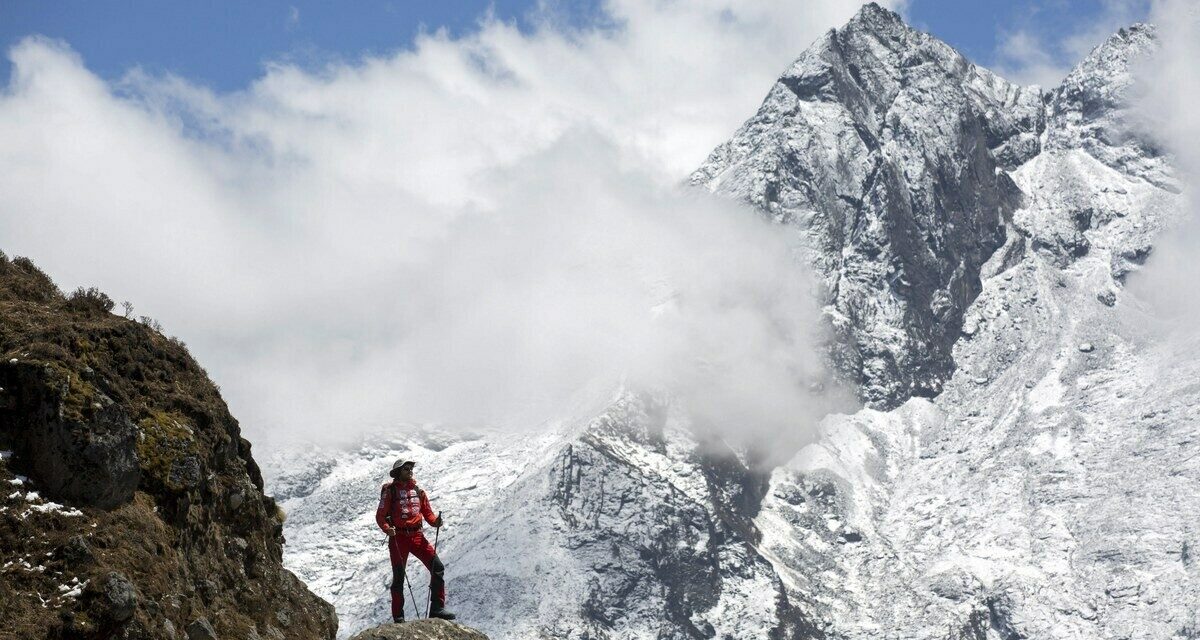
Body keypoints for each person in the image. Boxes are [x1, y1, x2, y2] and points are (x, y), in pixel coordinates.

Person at [376, 459, 456, 622]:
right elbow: (380, 515)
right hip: (398, 537)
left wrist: (436, 522)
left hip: (417, 536)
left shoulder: (419, 491)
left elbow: (428, 514)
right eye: (406, 468)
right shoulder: (390, 491)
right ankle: (398, 617)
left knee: (437, 567)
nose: (410, 470)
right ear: (398, 472)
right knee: (399, 577)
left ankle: (437, 608)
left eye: (411, 468)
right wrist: (387, 528)